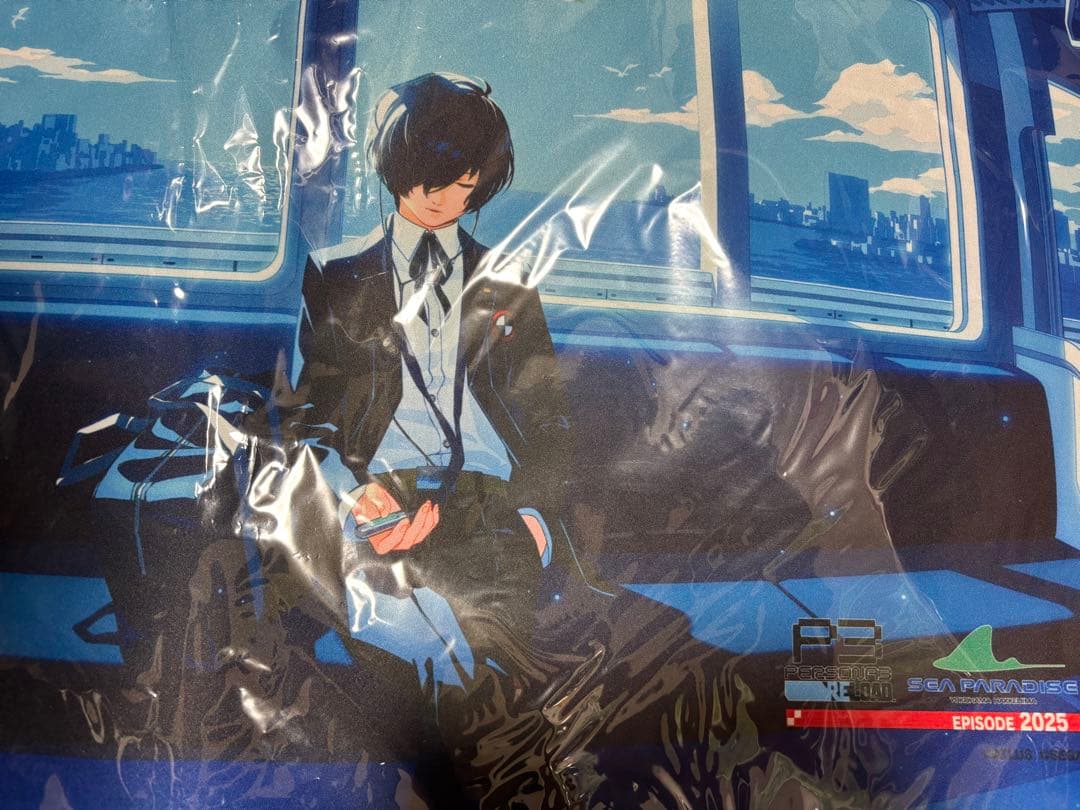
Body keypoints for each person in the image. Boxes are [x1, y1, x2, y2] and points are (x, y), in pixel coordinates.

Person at [277, 71, 571, 667]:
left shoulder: (510, 280)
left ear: (482, 181)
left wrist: (534, 518)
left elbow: (549, 415)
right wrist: (354, 497)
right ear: (392, 166)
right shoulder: (336, 273)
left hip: (493, 504)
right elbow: (310, 414)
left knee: (491, 673)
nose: (437, 197)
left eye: (460, 182)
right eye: (422, 178)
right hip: (378, 495)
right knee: (400, 671)